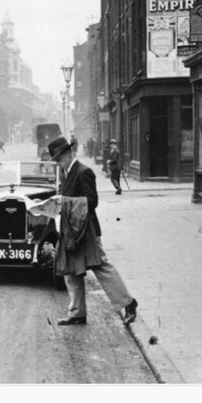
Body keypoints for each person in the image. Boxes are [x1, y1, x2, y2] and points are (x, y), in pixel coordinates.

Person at [47, 135, 138, 327]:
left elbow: (92, 201)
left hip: (87, 230)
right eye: (56, 160)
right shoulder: (65, 172)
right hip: (72, 230)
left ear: (69, 153)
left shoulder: (84, 172)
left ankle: (128, 303)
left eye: (59, 159)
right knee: (70, 270)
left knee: (100, 266)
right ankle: (77, 313)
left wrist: (66, 202)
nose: (57, 163)